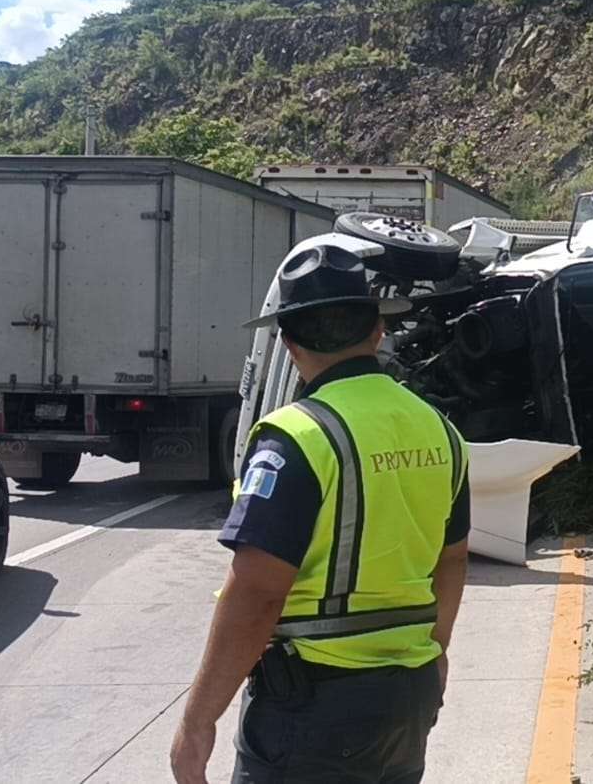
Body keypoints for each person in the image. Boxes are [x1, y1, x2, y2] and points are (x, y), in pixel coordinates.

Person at [170, 244, 470, 784]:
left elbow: (258, 593)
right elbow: (452, 560)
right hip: (409, 695)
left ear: (288, 344)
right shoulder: (439, 430)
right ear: (378, 331)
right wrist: (437, 653)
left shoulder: (296, 438)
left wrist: (198, 722)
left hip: (315, 709)